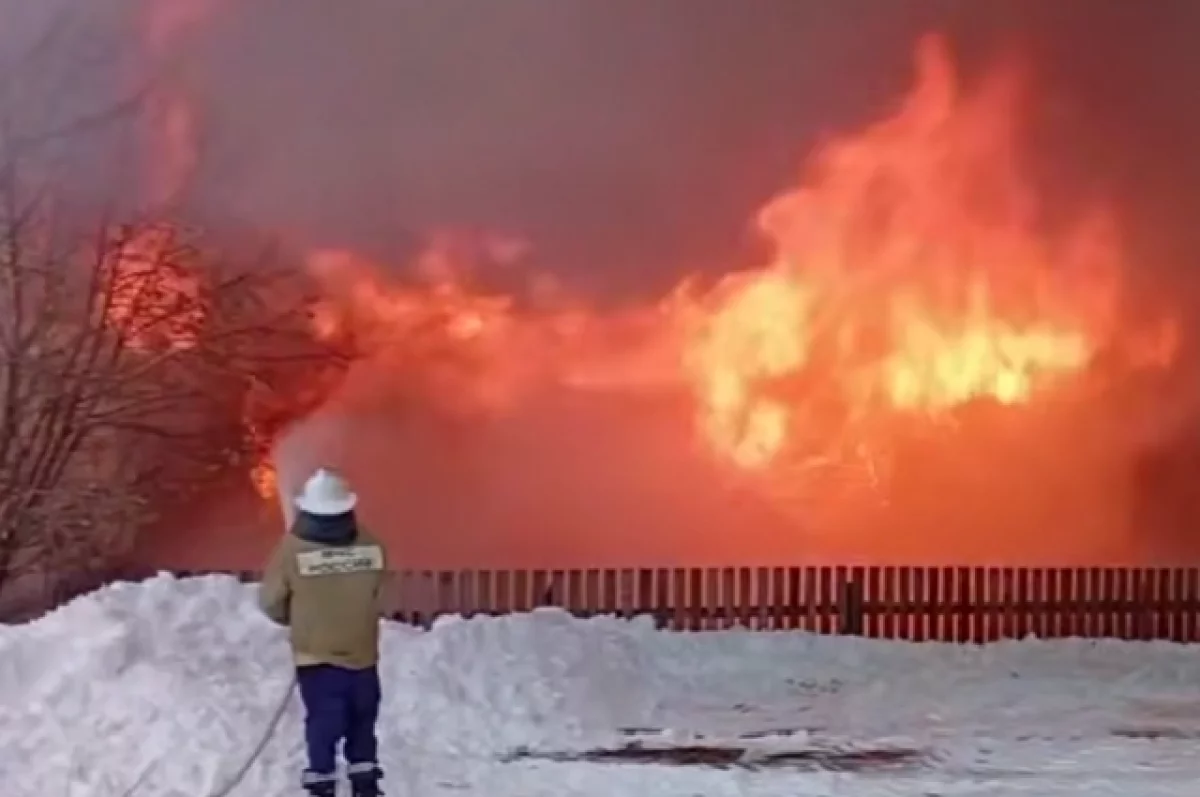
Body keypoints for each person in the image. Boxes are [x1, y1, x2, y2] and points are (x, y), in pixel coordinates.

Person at [259, 468, 388, 797]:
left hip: (316, 656)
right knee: (362, 722)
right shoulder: (372, 544)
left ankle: (322, 782)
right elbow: (384, 593)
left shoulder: (291, 550)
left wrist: (299, 618)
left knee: (323, 723)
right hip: (363, 654)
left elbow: (271, 601)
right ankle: (365, 782)